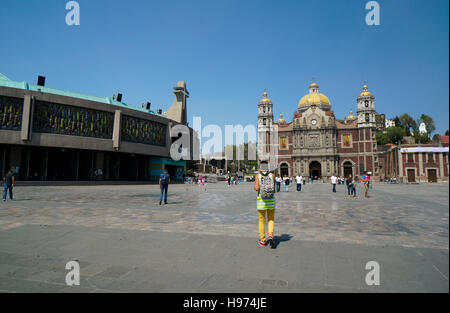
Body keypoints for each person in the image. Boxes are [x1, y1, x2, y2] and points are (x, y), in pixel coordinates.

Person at [254, 161, 276, 247]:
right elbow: (273, 187)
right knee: (271, 219)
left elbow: (256, 188)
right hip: (271, 201)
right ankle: (270, 235)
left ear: (260, 167)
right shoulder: (272, 175)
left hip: (261, 202)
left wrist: (258, 185)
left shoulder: (258, 176)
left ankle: (263, 240)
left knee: (261, 221)